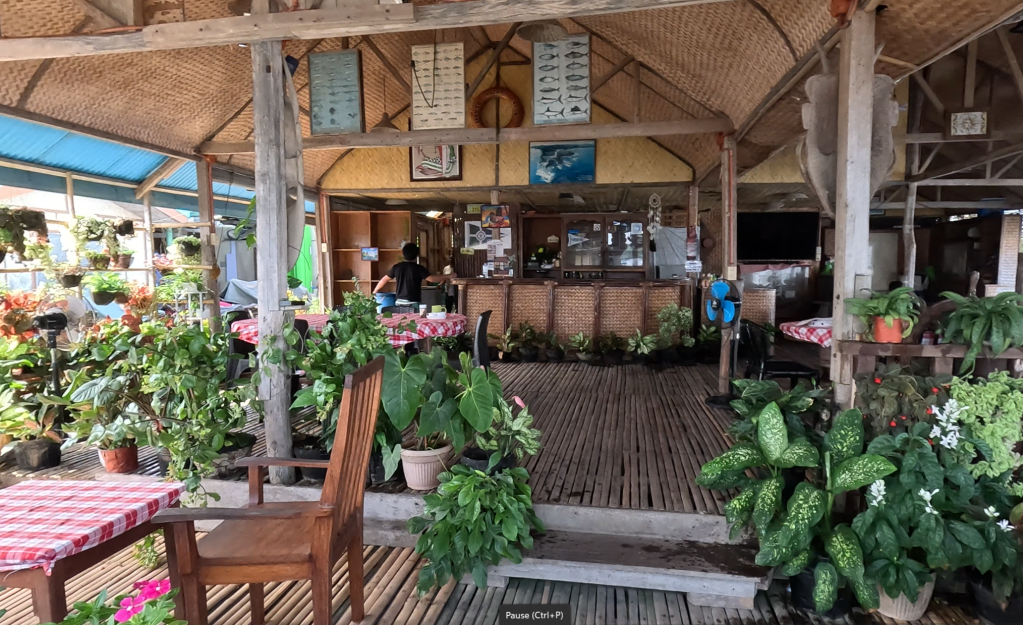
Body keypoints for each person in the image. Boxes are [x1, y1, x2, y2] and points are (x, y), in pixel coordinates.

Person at [372, 243, 453, 306]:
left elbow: (384, 279)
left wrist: (374, 292)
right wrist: (448, 276)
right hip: (414, 302)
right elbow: (431, 279)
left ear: (403, 253)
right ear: (416, 255)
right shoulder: (419, 268)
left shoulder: (397, 267)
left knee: (402, 324)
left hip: (399, 302)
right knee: (413, 325)